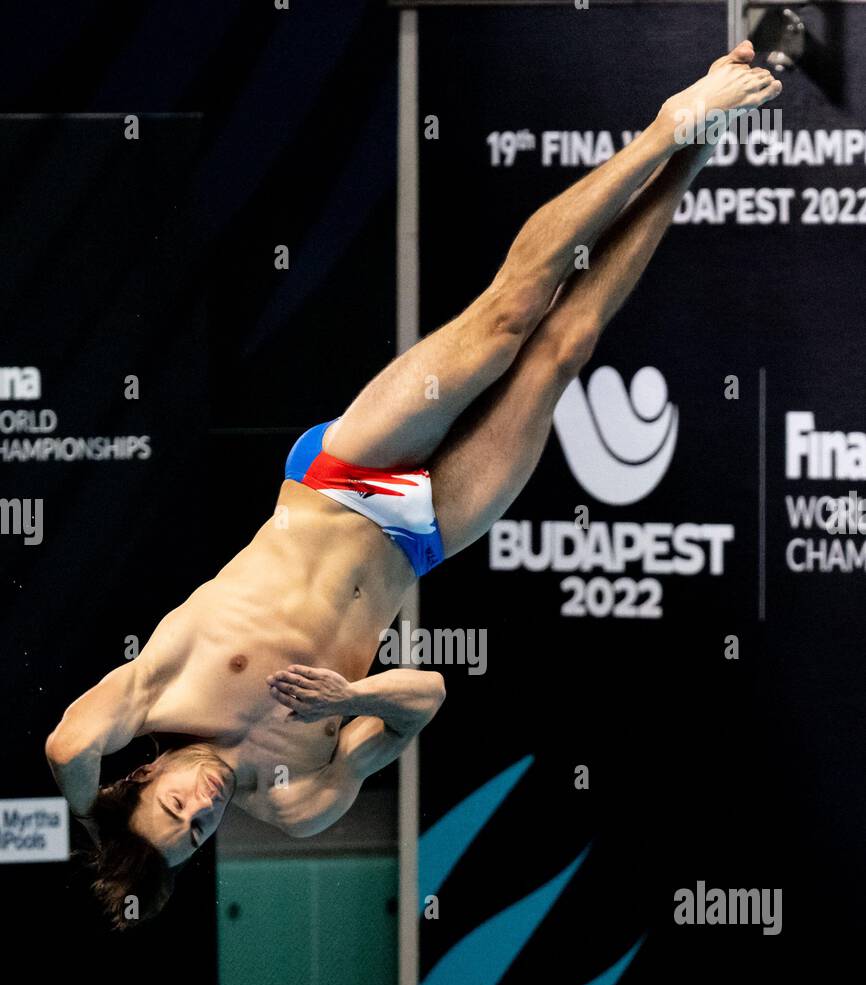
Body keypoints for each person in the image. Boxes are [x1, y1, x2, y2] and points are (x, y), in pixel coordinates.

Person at [45, 43, 781, 926]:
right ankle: (699, 149)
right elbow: (426, 699)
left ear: (144, 774)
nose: (198, 807)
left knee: (510, 316)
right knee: (563, 348)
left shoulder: (155, 693)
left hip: (337, 480)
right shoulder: (295, 801)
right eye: (198, 832)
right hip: (422, 536)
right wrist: (353, 697)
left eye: (172, 807)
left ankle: (670, 120)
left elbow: (67, 744)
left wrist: (101, 827)